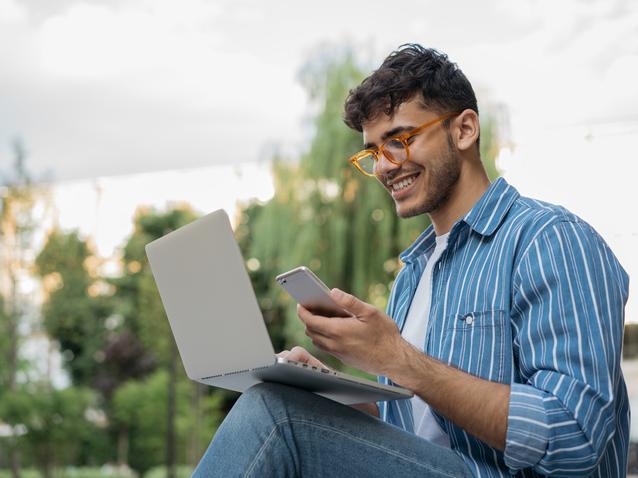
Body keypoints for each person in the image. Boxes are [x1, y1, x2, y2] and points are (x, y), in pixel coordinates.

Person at [193, 44, 630, 477]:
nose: (384, 166)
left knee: (275, 414)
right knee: (286, 403)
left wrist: (397, 358)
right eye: (373, 152)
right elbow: (413, 438)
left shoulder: (548, 238)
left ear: (464, 130)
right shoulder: (413, 275)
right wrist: (330, 391)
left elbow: (576, 436)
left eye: (400, 140)